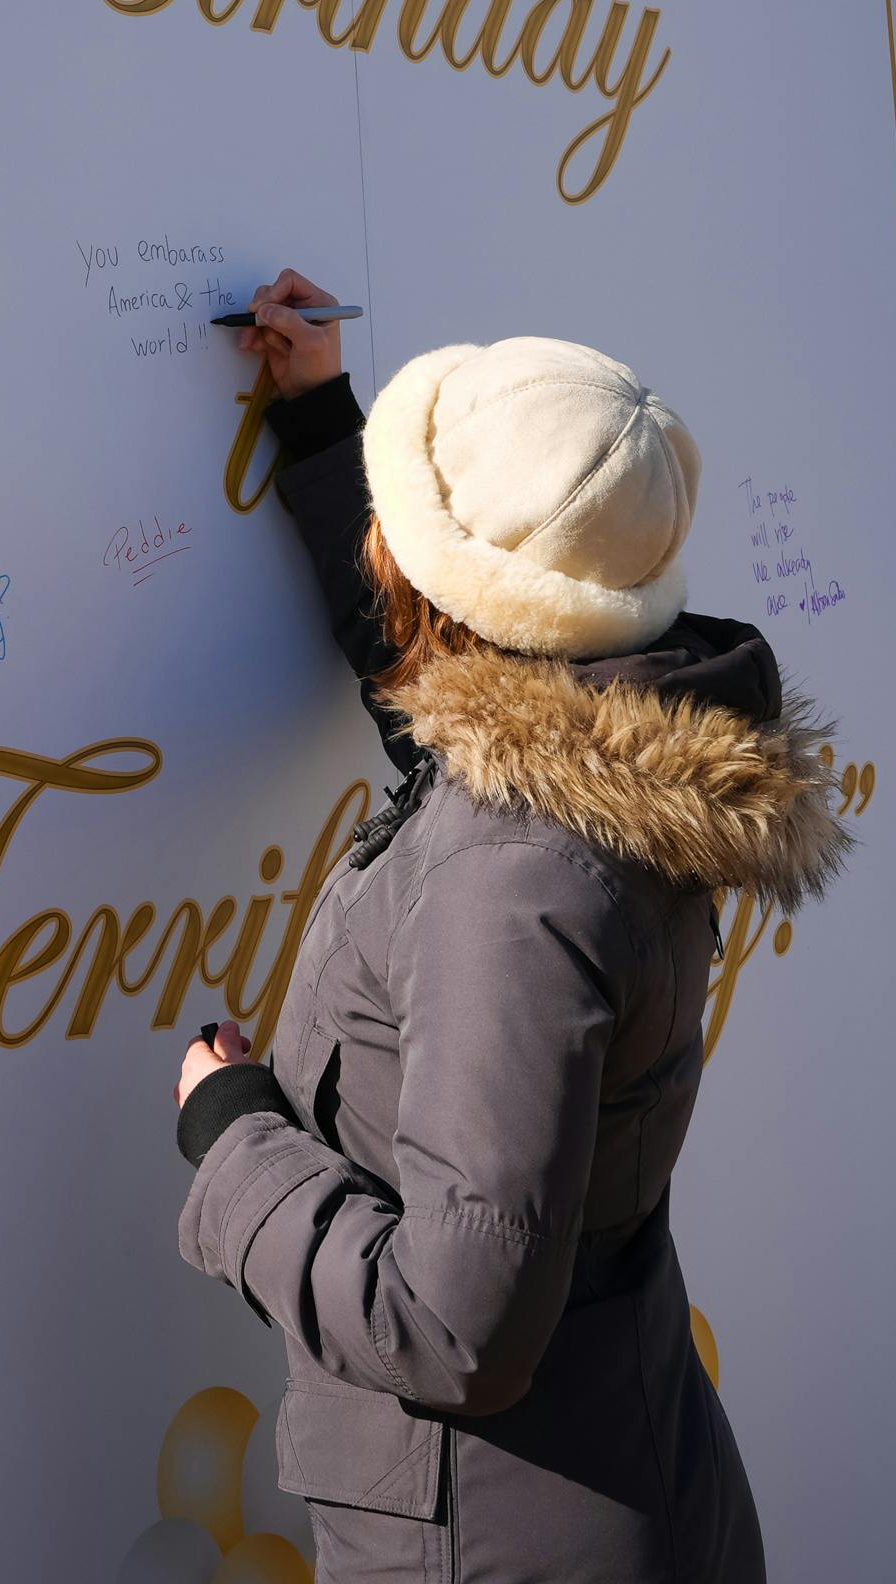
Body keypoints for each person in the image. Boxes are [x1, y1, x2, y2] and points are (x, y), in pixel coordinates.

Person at [170, 272, 849, 1584]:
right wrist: (317, 424)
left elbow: (454, 1328)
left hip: (496, 1542)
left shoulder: (515, 883)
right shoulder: (604, 755)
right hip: (593, 1492)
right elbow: (431, 697)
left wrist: (232, 1137)